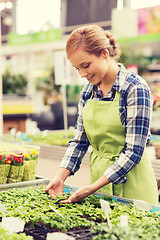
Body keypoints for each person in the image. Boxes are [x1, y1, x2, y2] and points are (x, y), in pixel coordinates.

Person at [45, 25, 158, 205]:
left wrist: (92, 188)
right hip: (99, 185)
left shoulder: (135, 88)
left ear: (104, 53)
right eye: (77, 69)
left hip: (133, 185)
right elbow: (79, 141)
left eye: (86, 65)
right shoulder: (88, 91)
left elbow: (134, 152)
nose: (82, 74)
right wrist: (60, 176)